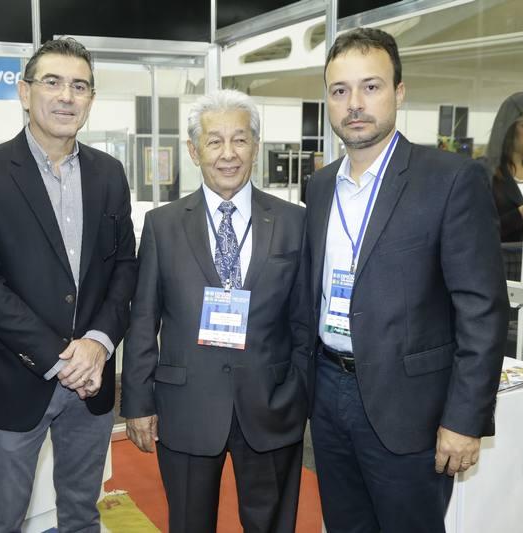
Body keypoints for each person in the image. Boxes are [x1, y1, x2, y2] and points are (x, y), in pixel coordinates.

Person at [305, 27, 508, 533]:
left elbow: (482, 310)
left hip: (411, 408)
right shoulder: (321, 186)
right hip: (329, 392)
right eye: (340, 90)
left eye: (370, 86)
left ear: (399, 92)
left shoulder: (450, 180)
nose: (354, 103)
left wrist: (464, 419)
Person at [0, 38, 137, 533]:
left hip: (94, 380)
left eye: (79, 86)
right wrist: (61, 359)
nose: (66, 96)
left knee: (82, 513)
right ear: (24, 91)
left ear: (91, 98)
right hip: (18, 377)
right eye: (52, 82)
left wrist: (97, 344)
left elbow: (124, 268)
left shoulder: (109, 173)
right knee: (5, 517)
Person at [121, 89, 310, 533]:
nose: (228, 154)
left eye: (240, 140)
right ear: (194, 150)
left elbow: (303, 320)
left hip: (271, 405)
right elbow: (143, 320)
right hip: (186, 405)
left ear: (255, 147)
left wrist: (298, 392)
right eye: (214, 141)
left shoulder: (293, 221)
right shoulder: (162, 225)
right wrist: (137, 402)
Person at [486, 91, 523, 243]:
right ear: (509, 126)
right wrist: (522, 213)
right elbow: (480, 228)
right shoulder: (486, 172)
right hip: (506, 255)